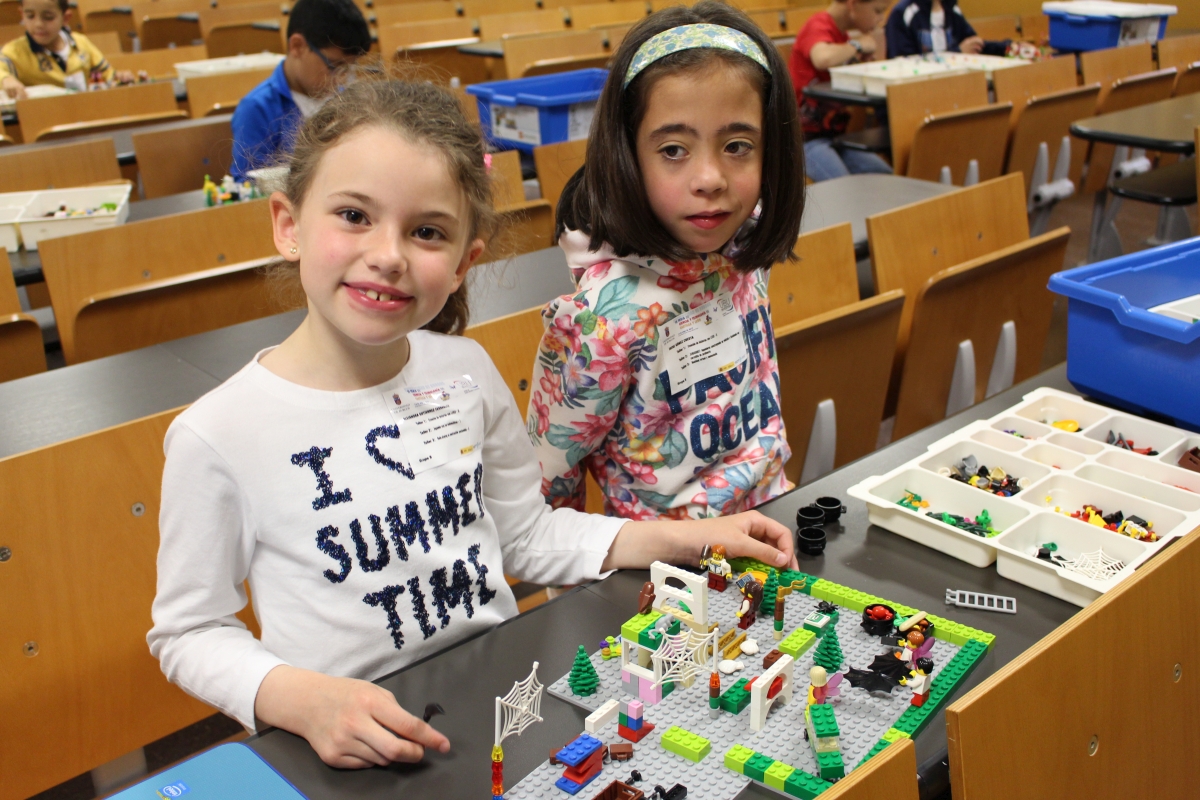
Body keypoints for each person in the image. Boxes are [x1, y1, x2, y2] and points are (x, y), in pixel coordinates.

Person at [148, 74, 797, 770]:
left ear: (464, 262)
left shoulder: (464, 370)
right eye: (354, 216)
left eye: (426, 232)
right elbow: (189, 631)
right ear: (287, 225)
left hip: (498, 704)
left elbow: (526, 535)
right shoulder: (218, 433)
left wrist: (683, 537)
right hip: (349, 750)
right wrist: (296, 698)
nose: (389, 255)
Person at [528, 2, 806, 521]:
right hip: (665, 560)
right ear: (627, 157)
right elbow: (550, 481)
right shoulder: (599, 320)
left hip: (773, 518)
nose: (710, 179)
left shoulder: (742, 247)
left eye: (738, 146)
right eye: (674, 150)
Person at [229, 0, 369, 180]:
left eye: (348, 69)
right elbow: (248, 184)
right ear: (297, 46)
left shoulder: (347, 100)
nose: (341, 79)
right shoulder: (257, 109)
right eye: (334, 66)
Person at [789, 0, 893, 182]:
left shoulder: (842, 36)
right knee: (845, 187)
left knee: (884, 176)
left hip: (837, 137)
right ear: (852, 4)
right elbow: (822, 58)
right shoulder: (817, 25)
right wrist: (857, 46)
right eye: (877, 11)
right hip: (806, 141)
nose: (880, 19)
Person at [0, 0, 133, 99]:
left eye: (48, 17)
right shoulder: (14, 51)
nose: (38, 24)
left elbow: (108, 76)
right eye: (30, 16)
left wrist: (120, 78)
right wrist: (6, 79)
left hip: (86, 114)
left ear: (65, 18)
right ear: (21, 14)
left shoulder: (81, 43)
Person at [886, 0, 1009, 57]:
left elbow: (973, 45)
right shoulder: (902, 14)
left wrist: (1008, 48)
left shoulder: (952, 10)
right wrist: (957, 53)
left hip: (954, 86)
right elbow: (903, 63)